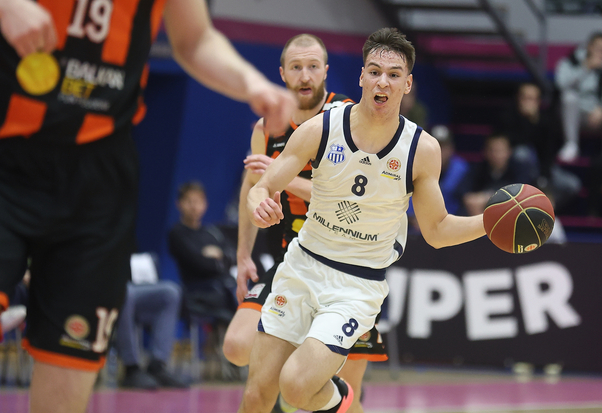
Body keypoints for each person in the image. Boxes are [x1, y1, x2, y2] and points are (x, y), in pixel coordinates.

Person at [0, 0, 295, 411]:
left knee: (70, 356)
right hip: (9, 148)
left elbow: (194, 39)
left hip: (98, 177)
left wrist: (251, 83)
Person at [238, 28, 487, 413]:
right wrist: (260, 203)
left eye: (393, 74)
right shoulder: (322, 127)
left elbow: (437, 231)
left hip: (356, 285)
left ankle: (344, 400)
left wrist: (489, 222)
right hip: (302, 266)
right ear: (361, 78)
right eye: (374, 72)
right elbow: (263, 184)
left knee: (296, 388)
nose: (382, 81)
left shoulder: (421, 149)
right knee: (257, 394)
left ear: (407, 85)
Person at [222, 33, 385, 413]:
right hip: (292, 262)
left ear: (326, 71)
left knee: (343, 398)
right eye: (296, 67)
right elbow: (253, 187)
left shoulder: (350, 118)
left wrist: (280, 176)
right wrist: (243, 255)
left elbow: (351, 202)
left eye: (313, 66)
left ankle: (310, 382)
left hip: (346, 267)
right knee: (237, 347)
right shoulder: (267, 127)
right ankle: (293, 374)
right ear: (282, 73)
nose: (305, 75)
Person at [497, 82, 581, 211]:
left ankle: (539, 208)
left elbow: (548, 152)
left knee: (572, 184)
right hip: (516, 172)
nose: (528, 102)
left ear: (538, 101)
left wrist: (544, 178)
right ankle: (523, 203)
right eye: (525, 98)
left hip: (541, 169)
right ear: (518, 99)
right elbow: (514, 143)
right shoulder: (508, 118)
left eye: (532, 99)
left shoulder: (545, 120)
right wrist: (528, 121)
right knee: (522, 153)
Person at [115, 253, 187, 389]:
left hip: (132, 284)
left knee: (170, 292)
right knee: (125, 292)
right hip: (108, 286)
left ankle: (157, 365)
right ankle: (130, 368)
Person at [168, 181, 237, 319]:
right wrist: (219, 260)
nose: (194, 207)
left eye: (198, 202)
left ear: (205, 204)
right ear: (179, 204)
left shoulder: (212, 232)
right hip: (198, 292)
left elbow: (233, 257)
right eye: (189, 201)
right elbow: (199, 264)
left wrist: (218, 256)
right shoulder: (177, 233)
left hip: (225, 287)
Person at [555, 31, 602, 162]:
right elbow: (562, 85)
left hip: (596, 116)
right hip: (573, 113)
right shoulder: (571, 62)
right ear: (589, 46)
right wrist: (586, 68)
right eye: (599, 48)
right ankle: (571, 145)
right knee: (569, 97)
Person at [462, 133, 532, 216]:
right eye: (492, 150)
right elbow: (462, 191)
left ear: (509, 151)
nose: (496, 155)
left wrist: (488, 196)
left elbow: (522, 193)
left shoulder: (519, 168)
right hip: (482, 211)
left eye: (500, 150)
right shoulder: (479, 168)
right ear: (485, 152)